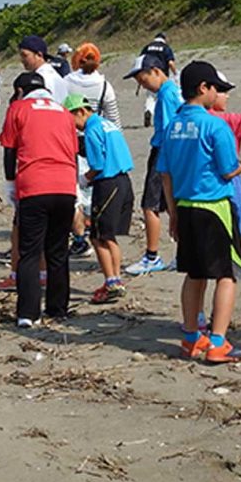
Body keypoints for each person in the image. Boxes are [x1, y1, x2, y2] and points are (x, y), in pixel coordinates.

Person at [159, 62, 241, 364]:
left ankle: (191, 337)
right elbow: (228, 170)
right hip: (214, 208)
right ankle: (218, 342)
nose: (219, 93)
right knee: (226, 275)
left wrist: (173, 214)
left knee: (195, 274)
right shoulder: (214, 124)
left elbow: (165, 174)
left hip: (185, 207)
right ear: (203, 89)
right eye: (216, 88)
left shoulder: (172, 126)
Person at [0, 72, 78, 327]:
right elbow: (74, 152)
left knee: (30, 252)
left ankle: (28, 313)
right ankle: (58, 308)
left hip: (35, 185)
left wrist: (10, 184)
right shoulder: (64, 112)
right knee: (58, 251)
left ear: (20, 91)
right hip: (65, 185)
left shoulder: (18, 109)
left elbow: (10, 150)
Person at [66, 94, 135, 304]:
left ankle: (112, 281)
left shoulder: (92, 129)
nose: (74, 126)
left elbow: (96, 165)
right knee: (109, 235)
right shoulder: (108, 124)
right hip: (124, 181)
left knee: (98, 236)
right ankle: (115, 280)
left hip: (108, 183)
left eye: (72, 119)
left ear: (81, 111)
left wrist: (82, 180)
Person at [122, 54, 183, 275]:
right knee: (173, 203)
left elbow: (168, 130)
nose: (142, 84)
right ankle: (181, 253)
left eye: (143, 79)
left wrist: (165, 164)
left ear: (156, 71)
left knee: (150, 205)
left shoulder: (167, 94)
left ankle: (152, 256)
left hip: (163, 152)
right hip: (173, 153)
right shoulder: (173, 90)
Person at [63, 42, 121, 258]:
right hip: (98, 138)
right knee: (94, 189)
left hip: (72, 140)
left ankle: (79, 239)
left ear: (76, 60)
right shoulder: (104, 84)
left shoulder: (66, 82)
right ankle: (90, 226)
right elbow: (114, 119)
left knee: (75, 190)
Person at [140, 32, 178, 127]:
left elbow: (140, 61)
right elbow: (170, 63)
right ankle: (164, 117)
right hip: (162, 76)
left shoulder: (147, 47)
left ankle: (148, 110)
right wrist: (175, 73)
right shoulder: (166, 48)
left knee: (150, 97)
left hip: (148, 74)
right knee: (164, 96)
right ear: (164, 39)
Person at [18, 35, 68, 105]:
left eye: (25, 55)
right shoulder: (53, 74)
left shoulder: (40, 79)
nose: (22, 60)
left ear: (39, 55)